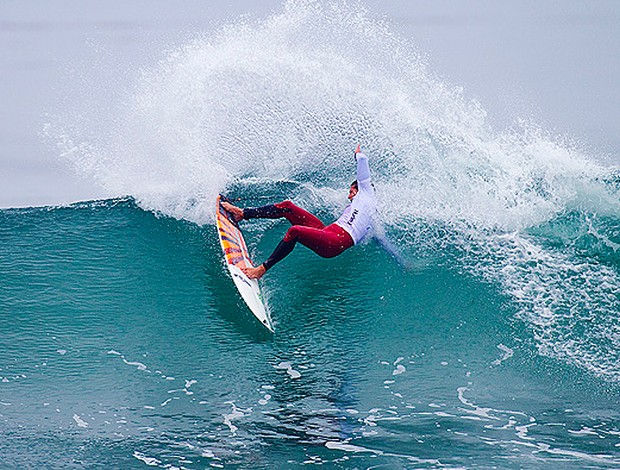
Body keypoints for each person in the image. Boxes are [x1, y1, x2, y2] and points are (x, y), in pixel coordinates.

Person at [222, 145, 376, 279]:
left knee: (294, 231)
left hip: (335, 242)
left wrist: (357, 153)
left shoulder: (366, 191)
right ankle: (242, 214)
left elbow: (363, 161)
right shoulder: (365, 208)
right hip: (329, 233)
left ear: (359, 188)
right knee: (287, 206)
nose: (349, 195)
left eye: (351, 191)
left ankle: (261, 269)